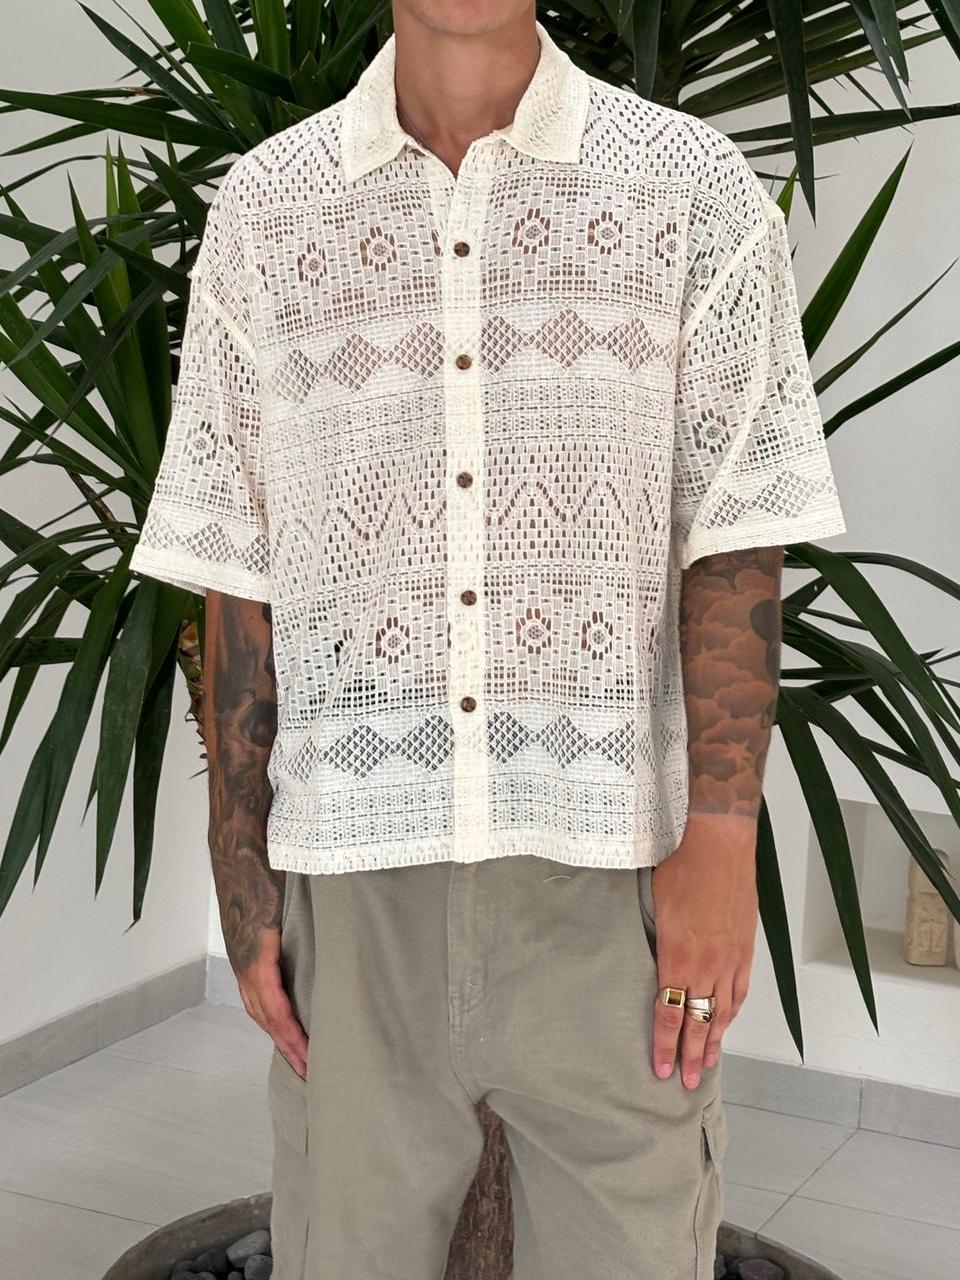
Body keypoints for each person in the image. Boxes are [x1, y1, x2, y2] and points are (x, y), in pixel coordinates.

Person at [130, 3, 847, 1276]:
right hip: (358, 887)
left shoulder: (689, 191)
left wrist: (722, 843)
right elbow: (238, 562)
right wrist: (241, 868)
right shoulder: (266, 212)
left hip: (612, 879)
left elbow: (733, 535)